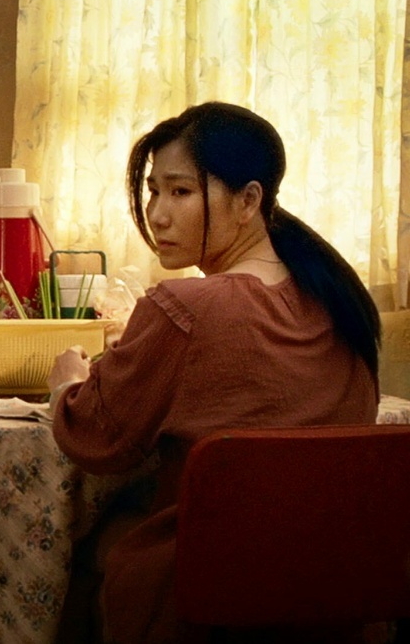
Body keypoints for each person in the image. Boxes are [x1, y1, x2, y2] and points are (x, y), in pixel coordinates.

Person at [46, 102, 381, 643]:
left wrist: (65, 384)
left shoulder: (185, 307)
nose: (157, 214)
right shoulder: (340, 298)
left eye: (181, 192)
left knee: (71, 546)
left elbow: (96, 439)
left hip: (209, 583)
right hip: (332, 591)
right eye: (154, 191)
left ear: (248, 200)